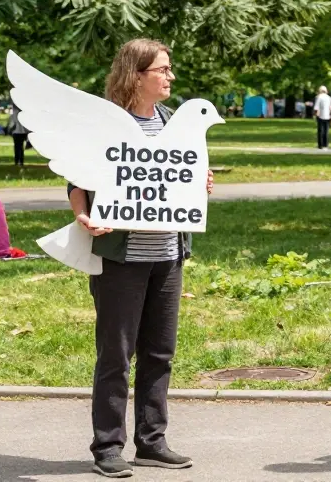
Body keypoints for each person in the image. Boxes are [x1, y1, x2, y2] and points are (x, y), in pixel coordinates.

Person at [68, 39, 214, 478]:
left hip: (168, 255)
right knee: (116, 353)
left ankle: (151, 442)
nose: (170, 77)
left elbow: (180, 176)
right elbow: (77, 183)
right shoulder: (106, 125)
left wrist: (198, 182)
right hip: (122, 258)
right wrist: (83, 216)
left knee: (160, 352)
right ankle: (108, 448)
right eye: (163, 70)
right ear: (136, 74)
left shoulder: (172, 122)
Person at [313, 85, 331, 149]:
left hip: (320, 116)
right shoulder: (329, 98)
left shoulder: (319, 97)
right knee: (326, 131)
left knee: (320, 131)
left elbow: (316, 108)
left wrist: (315, 115)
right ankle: (326, 144)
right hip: (328, 116)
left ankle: (320, 145)